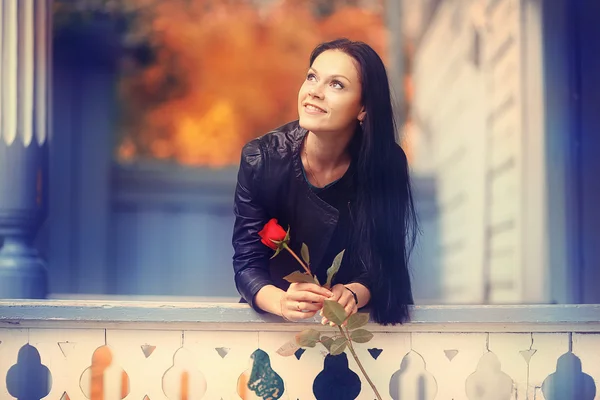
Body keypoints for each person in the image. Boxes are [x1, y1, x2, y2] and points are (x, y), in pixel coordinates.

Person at [232, 38, 416, 326]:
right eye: (312, 77)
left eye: (336, 84)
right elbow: (246, 264)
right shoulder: (262, 159)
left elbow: (384, 260)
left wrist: (354, 293)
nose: (314, 92)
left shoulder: (385, 164)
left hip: (353, 327)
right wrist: (281, 301)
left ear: (363, 109)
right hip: (277, 324)